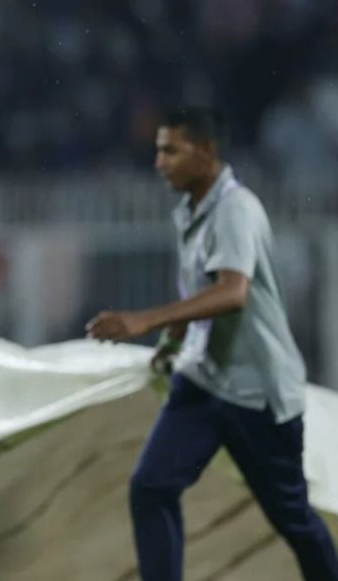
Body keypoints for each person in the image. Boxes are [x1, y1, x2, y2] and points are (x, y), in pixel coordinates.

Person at [87, 106, 338, 581]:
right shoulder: (191, 209)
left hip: (256, 393)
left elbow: (232, 292)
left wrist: (143, 320)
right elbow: (197, 288)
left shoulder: (236, 208)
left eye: (171, 151)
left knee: (293, 519)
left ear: (206, 153)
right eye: (158, 150)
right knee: (151, 487)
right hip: (204, 380)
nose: (159, 162)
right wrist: (172, 340)